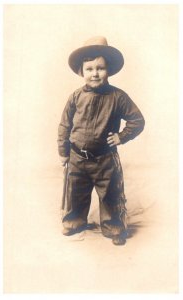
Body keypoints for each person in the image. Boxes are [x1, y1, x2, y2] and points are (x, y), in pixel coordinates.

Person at [57, 36, 145, 245]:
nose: (95, 73)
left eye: (100, 68)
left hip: (105, 159)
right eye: (89, 69)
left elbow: (137, 120)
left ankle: (114, 227)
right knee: (75, 192)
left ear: (108, 70)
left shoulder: (118, 97)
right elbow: (64, 126)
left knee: (110, 194)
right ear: (81, 71)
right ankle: (74, 222)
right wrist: (63, 152)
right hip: (77, 157)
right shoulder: (75, 97)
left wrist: (121, 137)